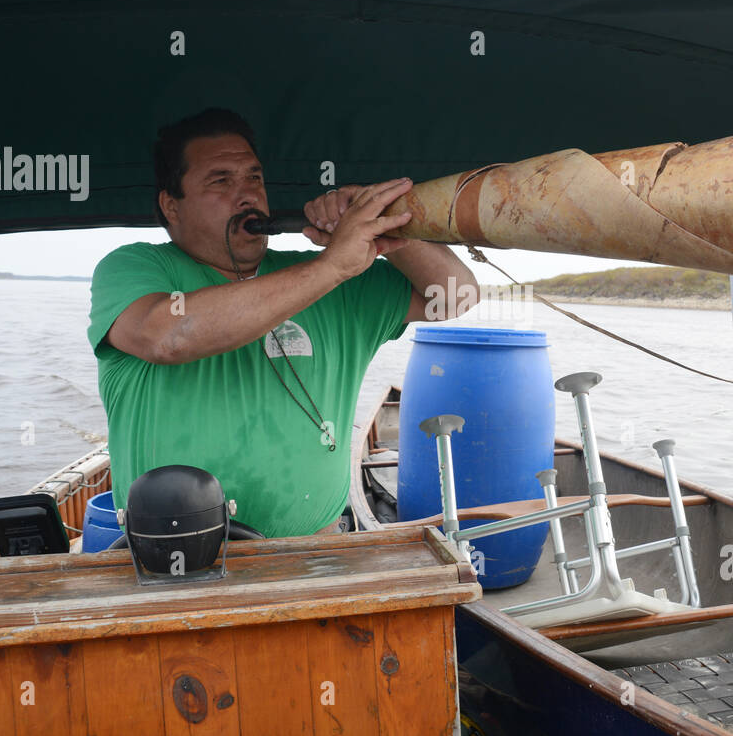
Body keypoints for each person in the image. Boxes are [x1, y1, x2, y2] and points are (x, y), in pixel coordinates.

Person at [87, 108, 478, 537]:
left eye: (254, 178)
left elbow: (456, 296)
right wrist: (331, 266)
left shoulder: (338, 279)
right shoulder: (134, 268)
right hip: (166, 561)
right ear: (171, 205)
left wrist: (388, 234)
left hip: (316, 555)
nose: (247, 195)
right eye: (221, 181)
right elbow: (166, 335)